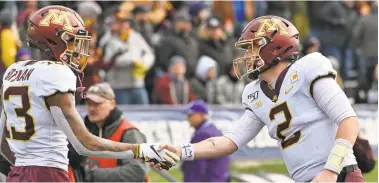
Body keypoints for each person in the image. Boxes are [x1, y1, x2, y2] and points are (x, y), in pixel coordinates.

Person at [155, 15, 364, 182]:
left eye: (252, 47)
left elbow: (348, 120)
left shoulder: (309, 69)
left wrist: (331, 170)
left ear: (273, 46)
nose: (247, 56)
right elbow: (229, 141)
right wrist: (182, 151)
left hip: (339, 174)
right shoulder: (254, 92)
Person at [0, 5, 178, 182]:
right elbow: (84, 143)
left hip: (18, 174)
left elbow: (2, 143)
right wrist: (142, 150)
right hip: (50, 174)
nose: (77, 48)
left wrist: (24, 169)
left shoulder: (13, 72)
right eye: (71, 40)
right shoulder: (56, 74)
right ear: (52, 41)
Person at [81, 83, 148, 182]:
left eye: (97, 103)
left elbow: (137, 171)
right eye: (89, 103)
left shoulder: (129, 133)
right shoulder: (85, 131)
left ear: (112, 104)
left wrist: (91, 174)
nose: (91, 108)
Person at [181, 100, 230, 182]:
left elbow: (198, 166)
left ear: (202, 115)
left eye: (191, 115)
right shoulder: (211, 130)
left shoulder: (203, 134)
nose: (188, 118)